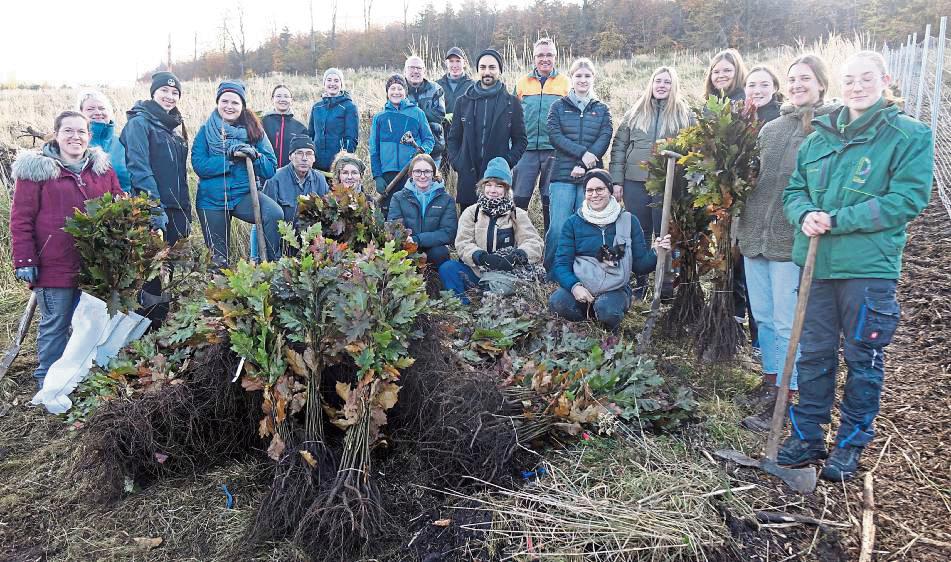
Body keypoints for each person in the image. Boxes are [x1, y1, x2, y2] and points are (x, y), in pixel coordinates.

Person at [778, 51, 933, 482]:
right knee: (814, 355)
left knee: (863, 358)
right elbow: (794, 191)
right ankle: (807, 435)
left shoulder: (908, 135)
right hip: (816, 265)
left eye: (866, 78)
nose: (857, 86)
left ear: (884, 80)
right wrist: (803, 212)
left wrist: (838, 221)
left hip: (868, 269)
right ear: (840, 85)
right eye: (850, 79)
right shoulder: (818, 138)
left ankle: (848, 445)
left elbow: (907, 200)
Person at [737, 55, 839, 432]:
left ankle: (788, 390)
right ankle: (769, 378)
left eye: (805, 79)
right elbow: (754, 180)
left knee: (785, 320)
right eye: (793, 79)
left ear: (821, 84)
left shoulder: (831, 126)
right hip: (754, 236)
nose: (797, 85)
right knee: (761, 315)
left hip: (790, 238)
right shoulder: (772, 128)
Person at [10, 111, 125, 389]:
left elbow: (119, 203)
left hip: (95, 263)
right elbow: (21, 218)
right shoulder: (36, 171)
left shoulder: (101, 169)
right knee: (56, 324)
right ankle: (47, 380)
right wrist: (24, 258)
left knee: (89, 323)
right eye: (68, 131)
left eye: (81, 132)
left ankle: (79, 378)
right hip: (53, 263)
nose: (75, 137)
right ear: (57, 134)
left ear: (89, 136)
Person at [549, 170, 669, 332]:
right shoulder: (573, 223)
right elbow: (561, 264)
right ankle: (589, 317)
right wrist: (574, 286)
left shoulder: (628, 221)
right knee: (558, 302)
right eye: (589, 191)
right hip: (583, 284)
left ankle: (605, 315)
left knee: (607, 310)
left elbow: (640, 265)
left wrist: (656, 252)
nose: (594, 195)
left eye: (600, 189)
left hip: (615, 288)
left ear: (610, 190)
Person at [609, 66, 693, 297]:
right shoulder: (635, 112)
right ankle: (640, 282)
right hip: (635, 182)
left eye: (667, 82)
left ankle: (666, 282)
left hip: (666, 184)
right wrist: (616, 181)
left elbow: (694, 150)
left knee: (665, 233)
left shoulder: (684, 114)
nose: (662, 85)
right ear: (651, 83)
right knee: (639, 232)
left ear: (673, 85)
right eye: (658, 81)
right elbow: (619, 148)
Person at [120, 71, 191, 319]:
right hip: (154, 206)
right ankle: (148, 323)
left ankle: (162, 317)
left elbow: (180, 175)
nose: (169, 96)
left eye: (175, 93)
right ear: (153, 93)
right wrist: (154, 207)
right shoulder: (139, 124)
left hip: (176, 206)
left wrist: (186, 212)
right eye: (164, 91)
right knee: (152, 269)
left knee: (168, 266)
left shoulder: (175, 127)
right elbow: (139, 169)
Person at [192, 81, 280, 266]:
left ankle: (271, 267)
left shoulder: (255, 131)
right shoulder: (205, 131)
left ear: (242, 106)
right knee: (218, 259)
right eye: (225, 101)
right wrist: (230, 160)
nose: (229, 106)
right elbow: (199, 165)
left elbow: (271, 167)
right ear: (218, 103)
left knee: (274, 213)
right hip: (211, 201)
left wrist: (255, 155)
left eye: (235, 103)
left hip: (243, 196)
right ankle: (219, 289)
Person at [440, 157, 544, 302]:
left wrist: (516, 256)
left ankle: (493, 298)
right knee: (447, 268)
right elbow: (463, 243)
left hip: (507, 274)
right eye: (488, 184)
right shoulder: (471, 212)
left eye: (499, 186)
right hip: (476, 271)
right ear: (482, 186)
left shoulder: (517, 213)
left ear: (507, 188)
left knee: (499, 296)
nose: (492, 190)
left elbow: (534, 243)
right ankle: (461, 305)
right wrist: (481, 257)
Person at [543, 58, 613, 273]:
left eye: (587, 75)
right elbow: (555, 136)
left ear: (593, 78)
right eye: (578, 75)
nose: (583, 80)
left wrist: (585, 165)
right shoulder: (558, 107)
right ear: (571, 78)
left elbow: (605, 135)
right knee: (558, 227)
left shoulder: (601, 109)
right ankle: (552, 269)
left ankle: (582, 269)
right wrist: (582, 155)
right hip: (562, 175)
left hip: (591, 178)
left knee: (586, 225)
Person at [447, 48, 527, 211]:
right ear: (478, 70)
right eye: (483, 67)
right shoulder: (463, 102)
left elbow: (521, 141)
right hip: (468, 176)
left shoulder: (512, 103)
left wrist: (506, 163)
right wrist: (458, 162)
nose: (487, 72)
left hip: (496, 180)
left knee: (496, 230)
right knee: (469, 226)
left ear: (499, 70)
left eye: (492, 67)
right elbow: (453, 138)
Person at [512, 38, 570, 229]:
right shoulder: (522, 83)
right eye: (540, 55)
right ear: (534, 58)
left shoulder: (565, 84)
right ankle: (515, 242)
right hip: (525, 150)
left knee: (549, 198)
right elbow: (511, 117)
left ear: (555, 57)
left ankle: (549, 245)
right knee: (518, 198)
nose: (545, 59)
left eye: (549, 55)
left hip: (554, 150)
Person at [250, 135, 329, 260]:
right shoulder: (275, 179)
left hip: (310, 248)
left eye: (309, 154)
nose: (304, 158)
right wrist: (255, 257)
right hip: (281, 248)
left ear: (314, 158)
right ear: (290, 156)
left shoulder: (320, 179)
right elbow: (260, 221)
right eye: (299, 153)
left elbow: (326, 217)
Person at [369, 74, 435, 213]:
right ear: (387, 92)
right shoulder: (379, 117)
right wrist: (377, 176)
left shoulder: (417, 113)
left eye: (400, 88)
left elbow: (429, 140)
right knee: (388, 213)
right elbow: (374, 150)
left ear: (405, 91)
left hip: (411, 174)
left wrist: (422, 151)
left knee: (411, 212)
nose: (396, 92)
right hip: (388, 176)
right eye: (392, 88)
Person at [386, 154, 457, 268]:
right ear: (411, 174)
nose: (422, 176)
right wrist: (407, 240)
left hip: (434, 247)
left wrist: (417, 239)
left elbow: (448, 233)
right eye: (418, 171)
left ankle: (435, 282)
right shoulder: (398, 197)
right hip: (407, 247)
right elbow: (394, 226)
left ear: (433, 173)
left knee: (440, 253)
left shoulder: (446, 199)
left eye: (427, 171)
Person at [307, 68, 359, 172]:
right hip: (316, 165)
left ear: (341, 84)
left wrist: (343, 162)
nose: (332, 84)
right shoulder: (317, 107)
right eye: (329, 80)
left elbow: (351, 138)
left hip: (337, 166)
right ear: (324, 83)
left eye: (336, 80)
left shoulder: (349, 107)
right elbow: (310, 136)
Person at [78, 90, 130, 191]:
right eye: (90, 109)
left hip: (124, 203)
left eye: (102, 108)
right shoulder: (74, 144)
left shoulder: (124, 143)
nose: (97, 112)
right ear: (80, 113)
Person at [404, 55, 447, 165]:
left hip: (434, 148)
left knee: (433, 180)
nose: (415, 71)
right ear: (405, 71)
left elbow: (439, 115)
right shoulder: (398, 90)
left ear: (424, 71)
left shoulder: (436, 89)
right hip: (406, 150)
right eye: (411, 67)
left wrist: (414, 112)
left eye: (419, 68)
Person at [262, 84, 308, 168]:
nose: (282, 99)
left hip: (290, 175)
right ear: (272, 99)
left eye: (286, 96)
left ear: (291, 100)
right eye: (278, 96)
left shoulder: (300, 128)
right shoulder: (262, 122)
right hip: (265, 174)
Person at [436, 47, 474, 140]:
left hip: (465, 135)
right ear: (446, 63)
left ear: (464, 63)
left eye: (458, 61)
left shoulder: (473, 86)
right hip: (442, 135)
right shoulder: (436, 85)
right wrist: (442, 117)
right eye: (451, 61)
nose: (454, 65)